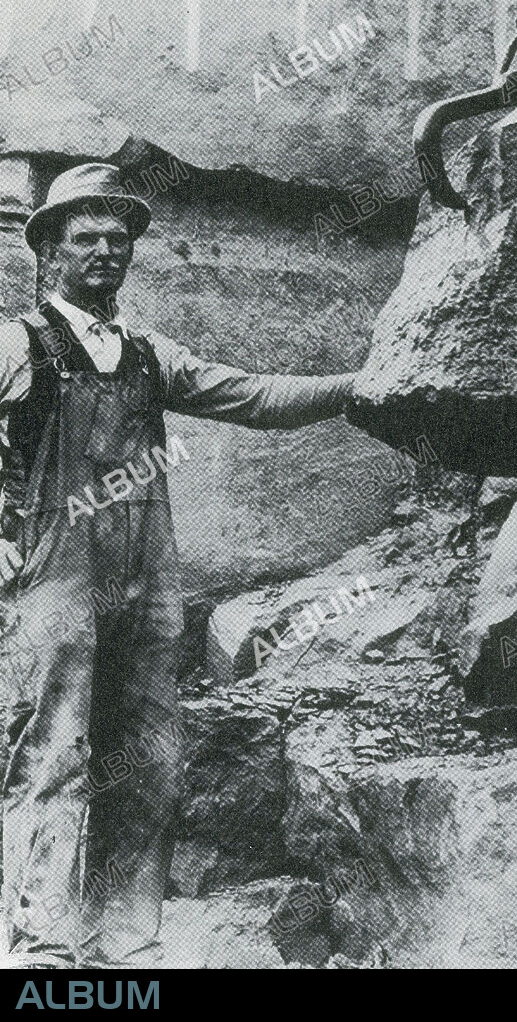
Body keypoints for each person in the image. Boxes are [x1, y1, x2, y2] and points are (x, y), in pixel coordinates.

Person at [0, 163, 357, 969]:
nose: (103, 251)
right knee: (54, 752)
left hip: (146, 574)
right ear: (50, 253)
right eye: (84, 238)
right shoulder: (16, 343)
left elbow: (256, 396)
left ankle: (126, 940)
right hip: (57, 572)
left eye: (116, 239)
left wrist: (364, 387)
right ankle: (44, 939)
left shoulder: (147, 352)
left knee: (151, 758)